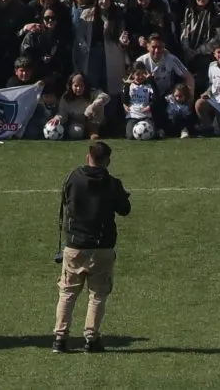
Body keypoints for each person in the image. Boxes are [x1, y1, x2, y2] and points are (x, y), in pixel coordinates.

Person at [53, 139, 131, 353]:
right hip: (102, 247)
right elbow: (125, 210)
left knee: (67, 293)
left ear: (88, 156)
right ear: (107, 161)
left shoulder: (72, 177)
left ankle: (60, 338)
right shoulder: (112, 183)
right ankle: (91, 338)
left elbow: (65, 202)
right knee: (97, 295)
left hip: (75, 245)